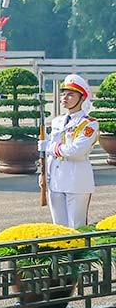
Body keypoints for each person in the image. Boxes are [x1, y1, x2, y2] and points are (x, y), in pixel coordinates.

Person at [42, 73, 101, 228]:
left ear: (82, 98)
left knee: (77, 227)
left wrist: (49, 147)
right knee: (59, 228)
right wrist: (44, 174)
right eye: (63, 94)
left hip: (77, 180)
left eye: (70, 94)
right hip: (55, 180)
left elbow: (76, 151)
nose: (65, 97)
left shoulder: (88, 124)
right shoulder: (57, 121)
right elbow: (50, 156)